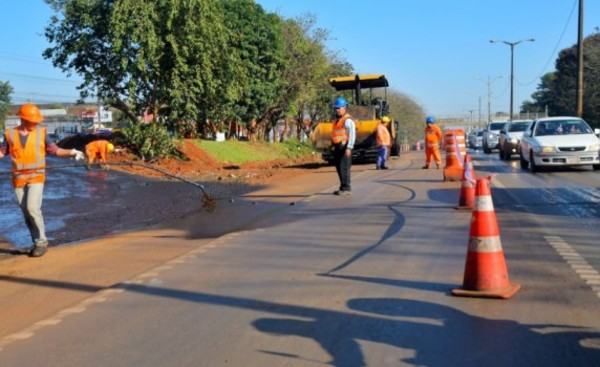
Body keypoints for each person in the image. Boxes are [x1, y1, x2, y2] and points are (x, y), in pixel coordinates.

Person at [0, 103, 85, 257]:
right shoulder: (10, 134)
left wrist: (72, 152)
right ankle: (36, 242)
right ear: (23, 119)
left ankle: (42, 242)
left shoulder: (41, 133)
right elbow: (2, 152)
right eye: (33, 120)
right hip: (18, 178)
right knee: (26, 212)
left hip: (36, 176)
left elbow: (55, 150)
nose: (36, 123)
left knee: (32, 208)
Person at [331, 97, 356, 195]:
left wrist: (349, 147)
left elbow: (352, 134)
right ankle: (342, 186)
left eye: (338, 108)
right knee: (339, 168)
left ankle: (346, 188)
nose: (337, 110)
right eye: (336, 108)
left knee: (344, 168)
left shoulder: (348, 120)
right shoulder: (337, 120)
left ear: (344, 108)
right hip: (338, 147)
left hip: (345, 148)